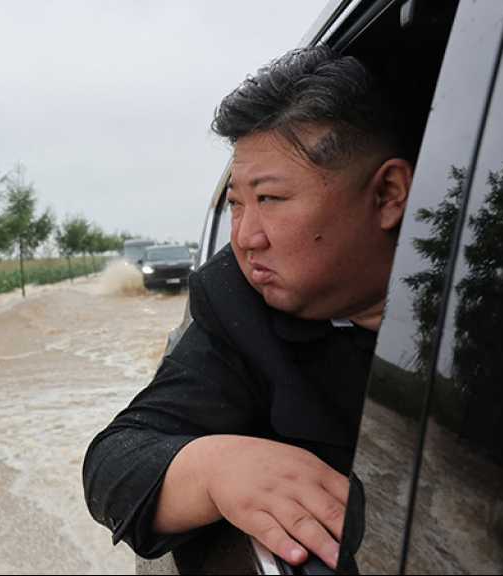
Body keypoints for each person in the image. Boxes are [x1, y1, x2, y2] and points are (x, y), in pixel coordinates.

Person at [82, 45, 414, 570]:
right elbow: (114, 464)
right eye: (236, 204)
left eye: (271, 200)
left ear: (388, 195)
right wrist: (213, 468)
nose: (244, 238)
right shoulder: (238, 305)